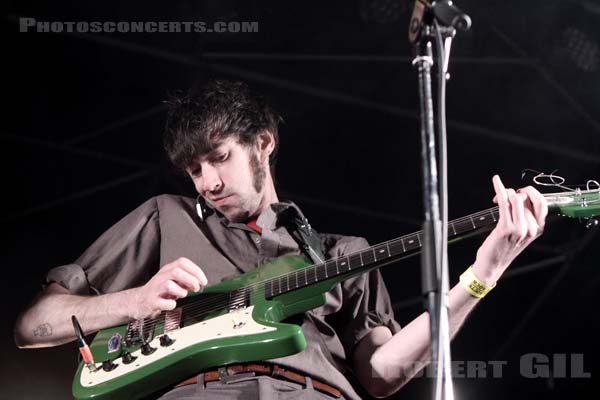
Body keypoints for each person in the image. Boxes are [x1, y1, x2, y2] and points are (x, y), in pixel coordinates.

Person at [14, 80, 548, 399]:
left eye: (218, 157)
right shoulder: (167, 217)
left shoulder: (344, 253)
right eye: (194, 170)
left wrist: (483, 274)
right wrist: (136, 300)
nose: (208, 182)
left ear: (263, 143)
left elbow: (382, 375)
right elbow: (34, 325)